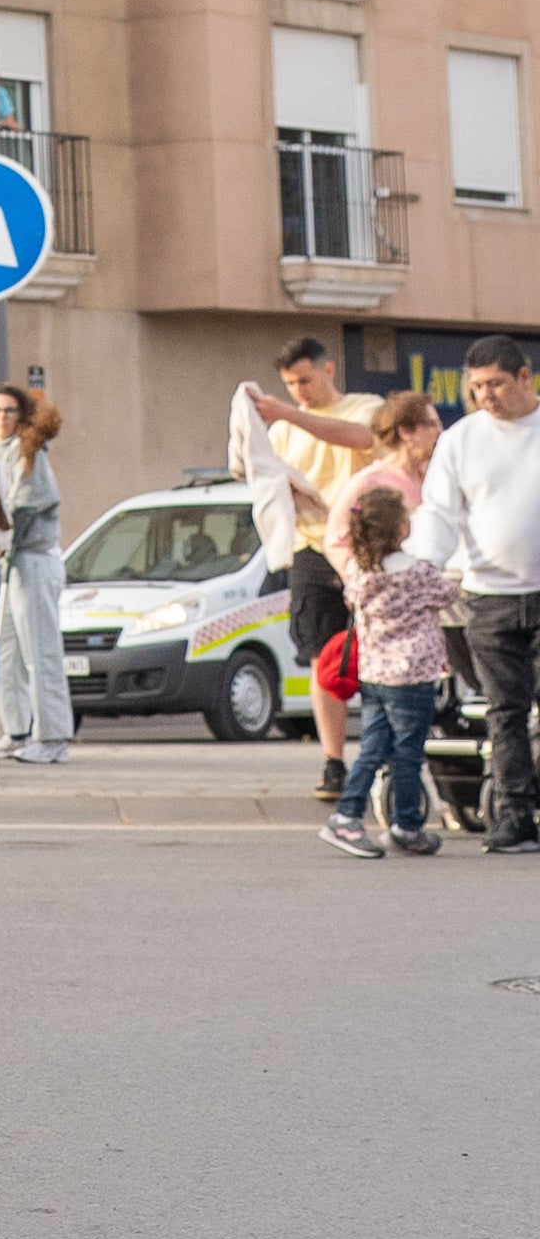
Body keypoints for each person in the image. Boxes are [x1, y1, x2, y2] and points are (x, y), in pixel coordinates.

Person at [413, 338, 540, 852]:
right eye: (476, 387)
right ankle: (514, 816)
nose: (485, 395)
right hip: (489, 595)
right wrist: (425, 568)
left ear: (526, 378)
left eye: (496, 384)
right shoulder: (461, 440)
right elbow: (440, 513)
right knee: (503, 711)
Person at [228, 330, 358, 813]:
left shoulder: (362, 407)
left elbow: (360, 439)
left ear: (327, 370)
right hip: (311, 547)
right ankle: (333, 759)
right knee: (323, 658)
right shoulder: (281, 428)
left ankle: (385, 751)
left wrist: (289, 414)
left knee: (381, 656)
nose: (298, 392)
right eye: (289, 385)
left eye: (305, 380)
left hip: (363, 548)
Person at [323, 478, 450, 858]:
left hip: (374, 675)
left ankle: (348, 814)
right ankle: (406, 824)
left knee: (373, 747)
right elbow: (449, 594)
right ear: (402, 529)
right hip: (411, 676)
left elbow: (351, 600)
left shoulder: (360, 576)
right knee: (408, 752)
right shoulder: (416, 572)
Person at [0, 382, 71, 763]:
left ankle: (53, 737)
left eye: (9, 411)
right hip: (9, 563)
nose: (1, 418)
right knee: (7, 650)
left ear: (21, 416)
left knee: (41, 651)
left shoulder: (30, 452)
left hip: (34, 556)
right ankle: (16, 730)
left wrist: (1, 531)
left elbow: (32, 501)